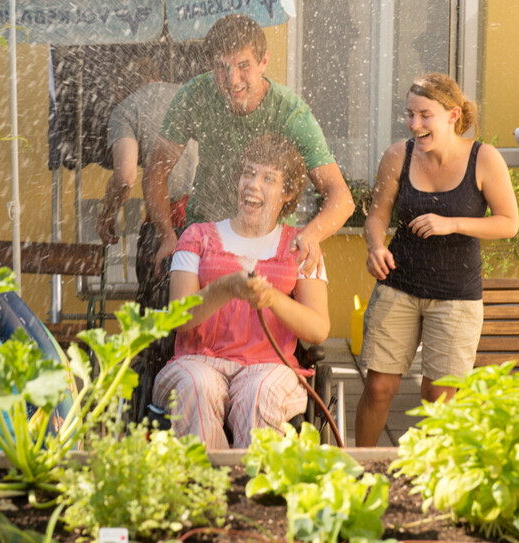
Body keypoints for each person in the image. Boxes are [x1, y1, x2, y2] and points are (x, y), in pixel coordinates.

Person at [354, 73, 519, 447]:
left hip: (456, 294)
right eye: (410, 114)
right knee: (379, 386)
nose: (415, 124)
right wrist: (375, 246)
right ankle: (357, 467)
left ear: (452, 115)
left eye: (424, 115)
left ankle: (427, 478)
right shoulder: (399, 155)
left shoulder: (484, 159)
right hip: (399, 284)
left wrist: (452, 223)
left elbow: (509, 223)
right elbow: (378, 216)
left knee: (438, 397)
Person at [138, 14, 354, 279]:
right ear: (208, 64)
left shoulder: (289, 113)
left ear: (264, 62)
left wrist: (311, 234)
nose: (232, 79)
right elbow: (155, 172)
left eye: (243, 65)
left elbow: (341, 197)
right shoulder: (195, 96)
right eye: (221, 67)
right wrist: (166, 235)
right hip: (207, 239)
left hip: (270, 246)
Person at [151, 135, 330, 449]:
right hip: (198, 360)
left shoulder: (300, 246)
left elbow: (318, 330)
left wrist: (273, 297)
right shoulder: (197, 237)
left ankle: (252, 488)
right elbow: (179, 318)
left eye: (268, 178)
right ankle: (207, 487)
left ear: (287, 192)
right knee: (197, 385)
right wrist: (225, 288)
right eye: (248, 173)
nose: (253, 184)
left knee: (259, 394)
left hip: (270, 367)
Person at [96, 57, 198, 312]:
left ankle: (158, 353)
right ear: (158, 75)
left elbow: (125, 176)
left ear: (119, 91)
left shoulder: (127, 110)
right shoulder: (189, 96)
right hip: (211, 226)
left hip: (166, 227)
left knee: (156, 321)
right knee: (202, 316)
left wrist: (107, 212)